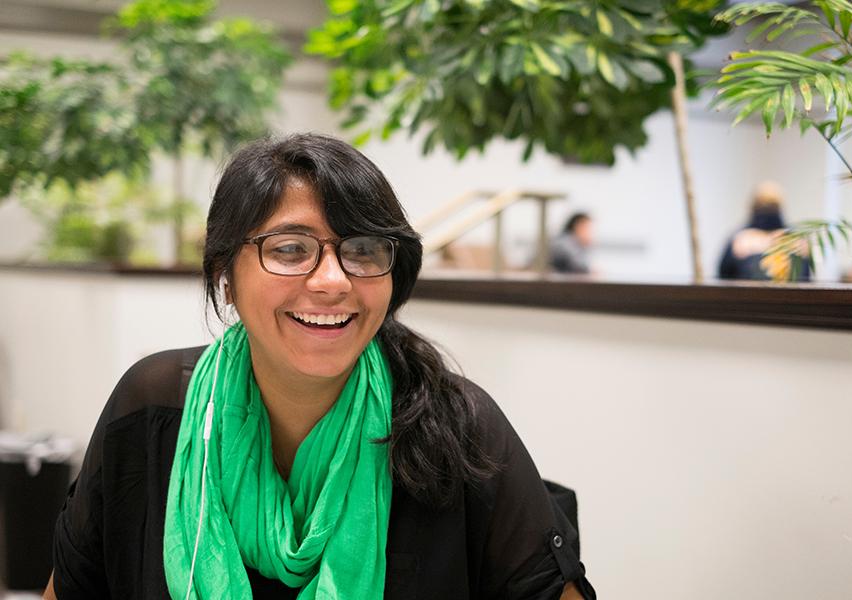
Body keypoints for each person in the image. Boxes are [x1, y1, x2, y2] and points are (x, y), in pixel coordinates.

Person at [46, 134, 594, 599]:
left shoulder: (457, 423)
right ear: (224, 275)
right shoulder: (152, 409)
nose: (333, 280)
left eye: (363, 249)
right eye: (289, 249)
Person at [717, 181, 810, 281]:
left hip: (747, 295)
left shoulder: (739, 239)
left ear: (752, 206)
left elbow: (723, 275)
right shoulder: (795, 239)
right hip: (788, 295)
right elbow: (806, 278)